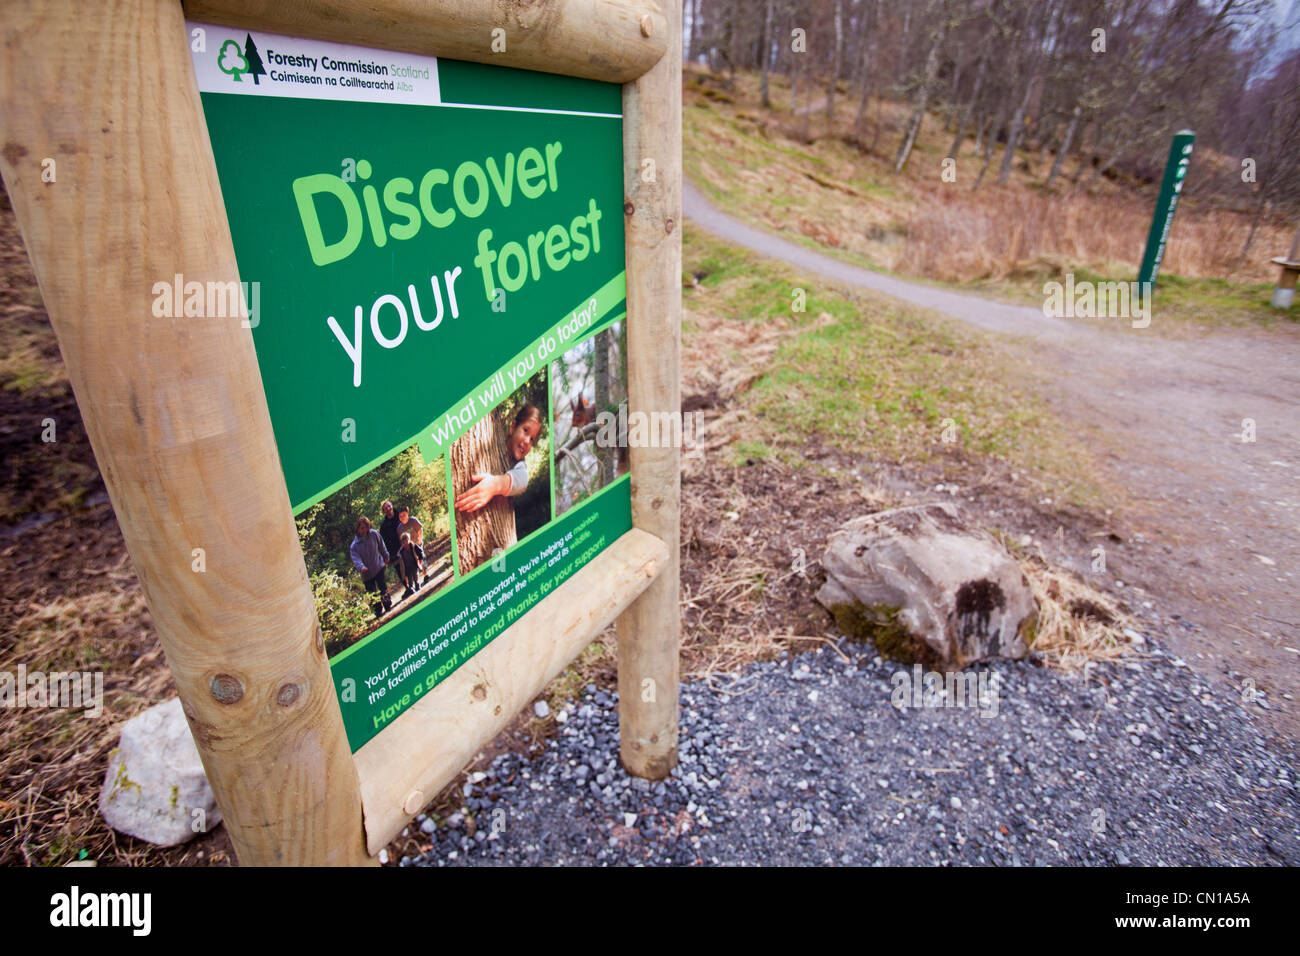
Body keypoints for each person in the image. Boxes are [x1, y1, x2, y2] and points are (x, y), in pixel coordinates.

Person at [454, 404, 543, 513]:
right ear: (513, 427)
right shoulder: (494, 442)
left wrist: (495, 485)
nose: (527, 441)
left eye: (532, 439)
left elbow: (523, 479)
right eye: (525, 431)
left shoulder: (519, 465)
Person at [349, 516, 391, 619]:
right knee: (372, 593)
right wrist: (361, 566)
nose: (364, 530)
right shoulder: (354, 546)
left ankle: (387, 605)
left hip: (378, 566)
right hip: (366, 573)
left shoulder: (374, 534)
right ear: (358, 529)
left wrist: (386, 555)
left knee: (382, 588)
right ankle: (378, 611)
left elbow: (381, 545)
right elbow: (356, 559)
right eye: (362, 528)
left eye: (366, 527)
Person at [378, 500, 408, 595]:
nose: (388, 509)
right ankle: (407, 587)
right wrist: (386, 555)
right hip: (393, 551)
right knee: (400, 570)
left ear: (392, 506)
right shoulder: (383, 526)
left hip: (406, 544)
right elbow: (383, 542)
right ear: (384, 511)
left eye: (389, 506)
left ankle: (414, 583)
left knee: (409, 564)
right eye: (385, 508)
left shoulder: (400, 516)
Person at [397, 532, 424, 596]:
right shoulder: (401, 551)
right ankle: (411, 588)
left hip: (414, 564)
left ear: (409, 540)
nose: (405, 543)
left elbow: (420, 551)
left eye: (406, 541)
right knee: (409, 578)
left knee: (415, 575)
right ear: (402, 543)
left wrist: (420, 558)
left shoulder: (413, 546)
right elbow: (399, 560)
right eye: (404, 542)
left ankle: (417, 585)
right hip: (407, 567)